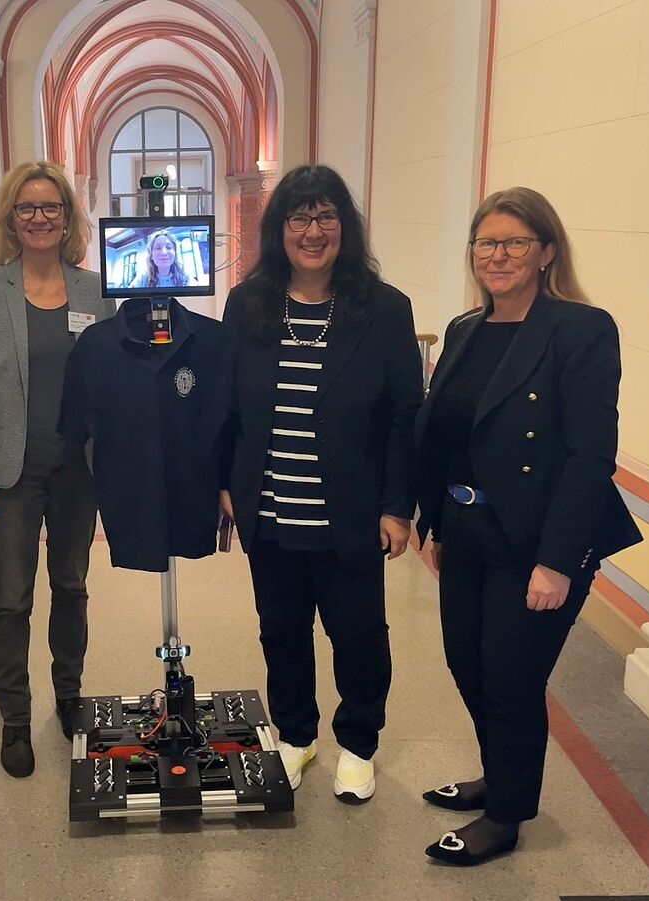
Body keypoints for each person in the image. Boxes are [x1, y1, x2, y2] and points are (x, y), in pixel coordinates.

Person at [414, 187, 642, 865]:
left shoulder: (580, 329)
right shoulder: (465, 329)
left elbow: (589, 456)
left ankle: (506, 815)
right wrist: (437, 524)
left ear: (546, 252)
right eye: (487, 242)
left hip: (536, 538)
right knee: (467, 663)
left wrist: (557, 561)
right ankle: (500, 775)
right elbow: (446, 436)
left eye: (515, 241)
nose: (499, 255)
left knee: (511, 677)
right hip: (465, 527)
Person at [220, 164, 422, 802]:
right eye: (298, 218)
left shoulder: (385, 310)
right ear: (278, 229)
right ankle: (297, 734)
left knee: (358, 636)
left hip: (351, 513)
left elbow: (404, 417)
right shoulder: (248, 305)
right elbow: (227, 406)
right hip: (271, 508)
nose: (312, 231)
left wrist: (397, 506)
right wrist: (226, 482)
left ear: (345, 226)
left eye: (325, 216)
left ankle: (358, 742)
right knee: (281, 631)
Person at [0, 161, 115, 778]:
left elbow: (114, 385)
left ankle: (70, 697)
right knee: (10, 598)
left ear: (68, 217)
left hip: (79, 470)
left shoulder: (96, 292)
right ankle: (17, 720)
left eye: (51, 207)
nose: (39, 218)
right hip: (12, 473)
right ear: (10, 218)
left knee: (72, 587)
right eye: (27, 208)